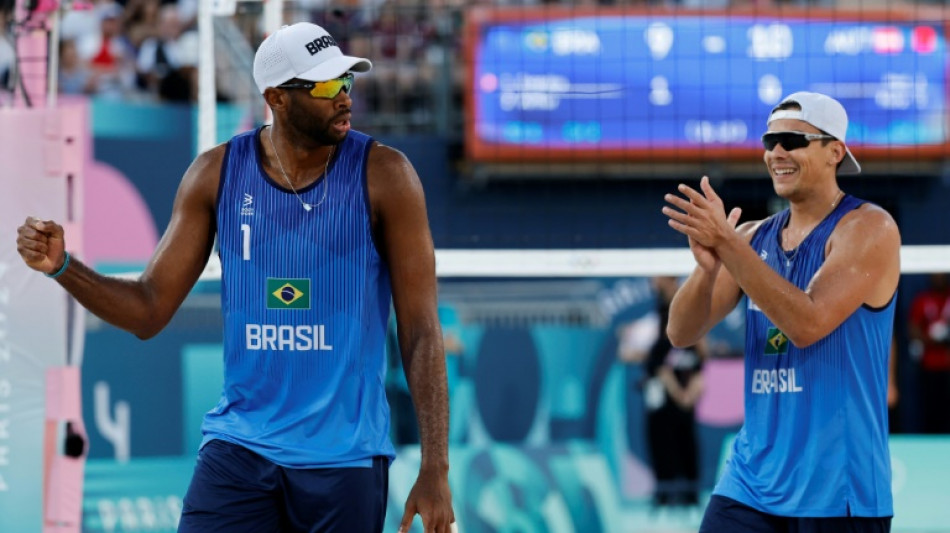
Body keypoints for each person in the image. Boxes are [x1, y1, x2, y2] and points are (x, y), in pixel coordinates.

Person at [17, 21, 455, 533]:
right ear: (277, 98)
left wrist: (435, 467)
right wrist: (63, 267)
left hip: (343, 458)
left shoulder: (386, 175)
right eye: (326, 86)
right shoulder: (216, 174)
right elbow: (148, 310)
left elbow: (421, 331)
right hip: (241, 448)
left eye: (347, 81)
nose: (344, 97)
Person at [662, 92, 900, 532]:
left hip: (837, 490)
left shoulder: (869, 228)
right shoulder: (750, 238)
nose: (776, 153)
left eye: (792, 140)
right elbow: (680, 333)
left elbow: (807, 323)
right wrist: (708, 270)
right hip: (751, 482)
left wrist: (728, 244)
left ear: (835, 152)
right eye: (770, 142)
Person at [642, 276, 703, 508]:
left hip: (681, 393)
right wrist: (679, 393)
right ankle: (665, 494)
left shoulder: (685, 310)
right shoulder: (659, 314)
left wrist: (688, 393)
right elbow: (658, 364)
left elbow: (697, 359)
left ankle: (689, 494)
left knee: (686, 443)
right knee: (662, 443)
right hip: (665, 397)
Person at [908, 272, 950, 433]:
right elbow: (913, 329)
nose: (938, 278)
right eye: (935, 275)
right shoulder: (923, 299)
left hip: (947, 363)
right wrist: (932, 340)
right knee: (931, 407)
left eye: (941, 275)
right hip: (929, 364)